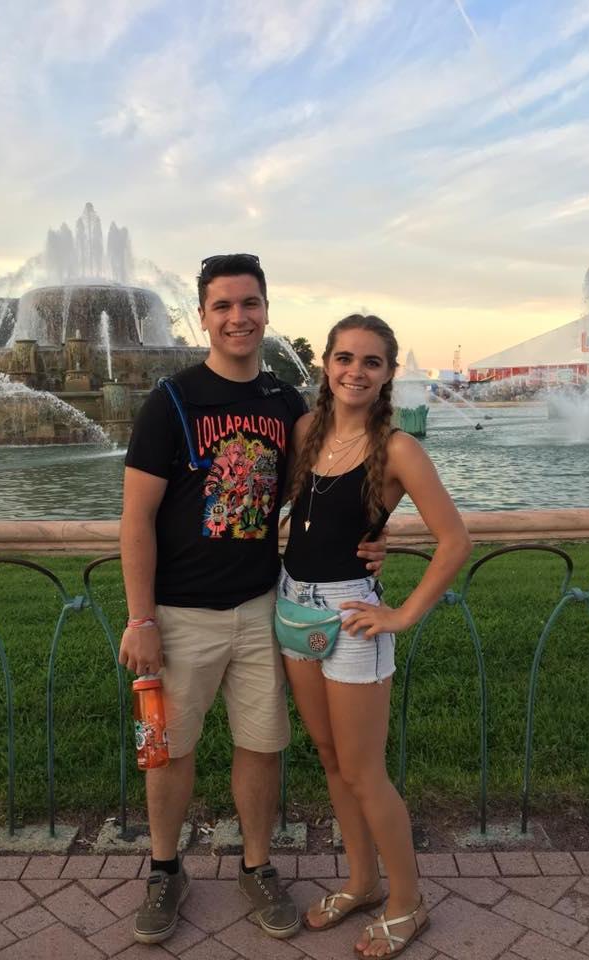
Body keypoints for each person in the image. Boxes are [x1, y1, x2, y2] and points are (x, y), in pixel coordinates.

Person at [118, 255, 386, 944]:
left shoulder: (285, 403)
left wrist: (373, 534)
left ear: (266, 310)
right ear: (203, 316)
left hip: (265, 606)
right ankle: (165, 869)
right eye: (223, 306)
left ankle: (257, 865)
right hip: (180, 612)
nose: (238, 317)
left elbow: (333, 482)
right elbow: (136, 519)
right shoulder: (172, 401)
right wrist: (141, 617)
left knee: (262, 745)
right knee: (171, 750)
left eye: (250, 304)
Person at [279, 314, 473, 957]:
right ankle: (362, 882)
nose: (355, 371)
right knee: (331, 757)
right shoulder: (306, 431)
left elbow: (455, 541)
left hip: (352, 617)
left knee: (365, 771)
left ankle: (407, 902)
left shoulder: (397, 449)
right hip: (293, 607)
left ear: (388, 373)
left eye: (370, 362)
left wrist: (402, 614)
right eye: (344, 358)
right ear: (326, 364)